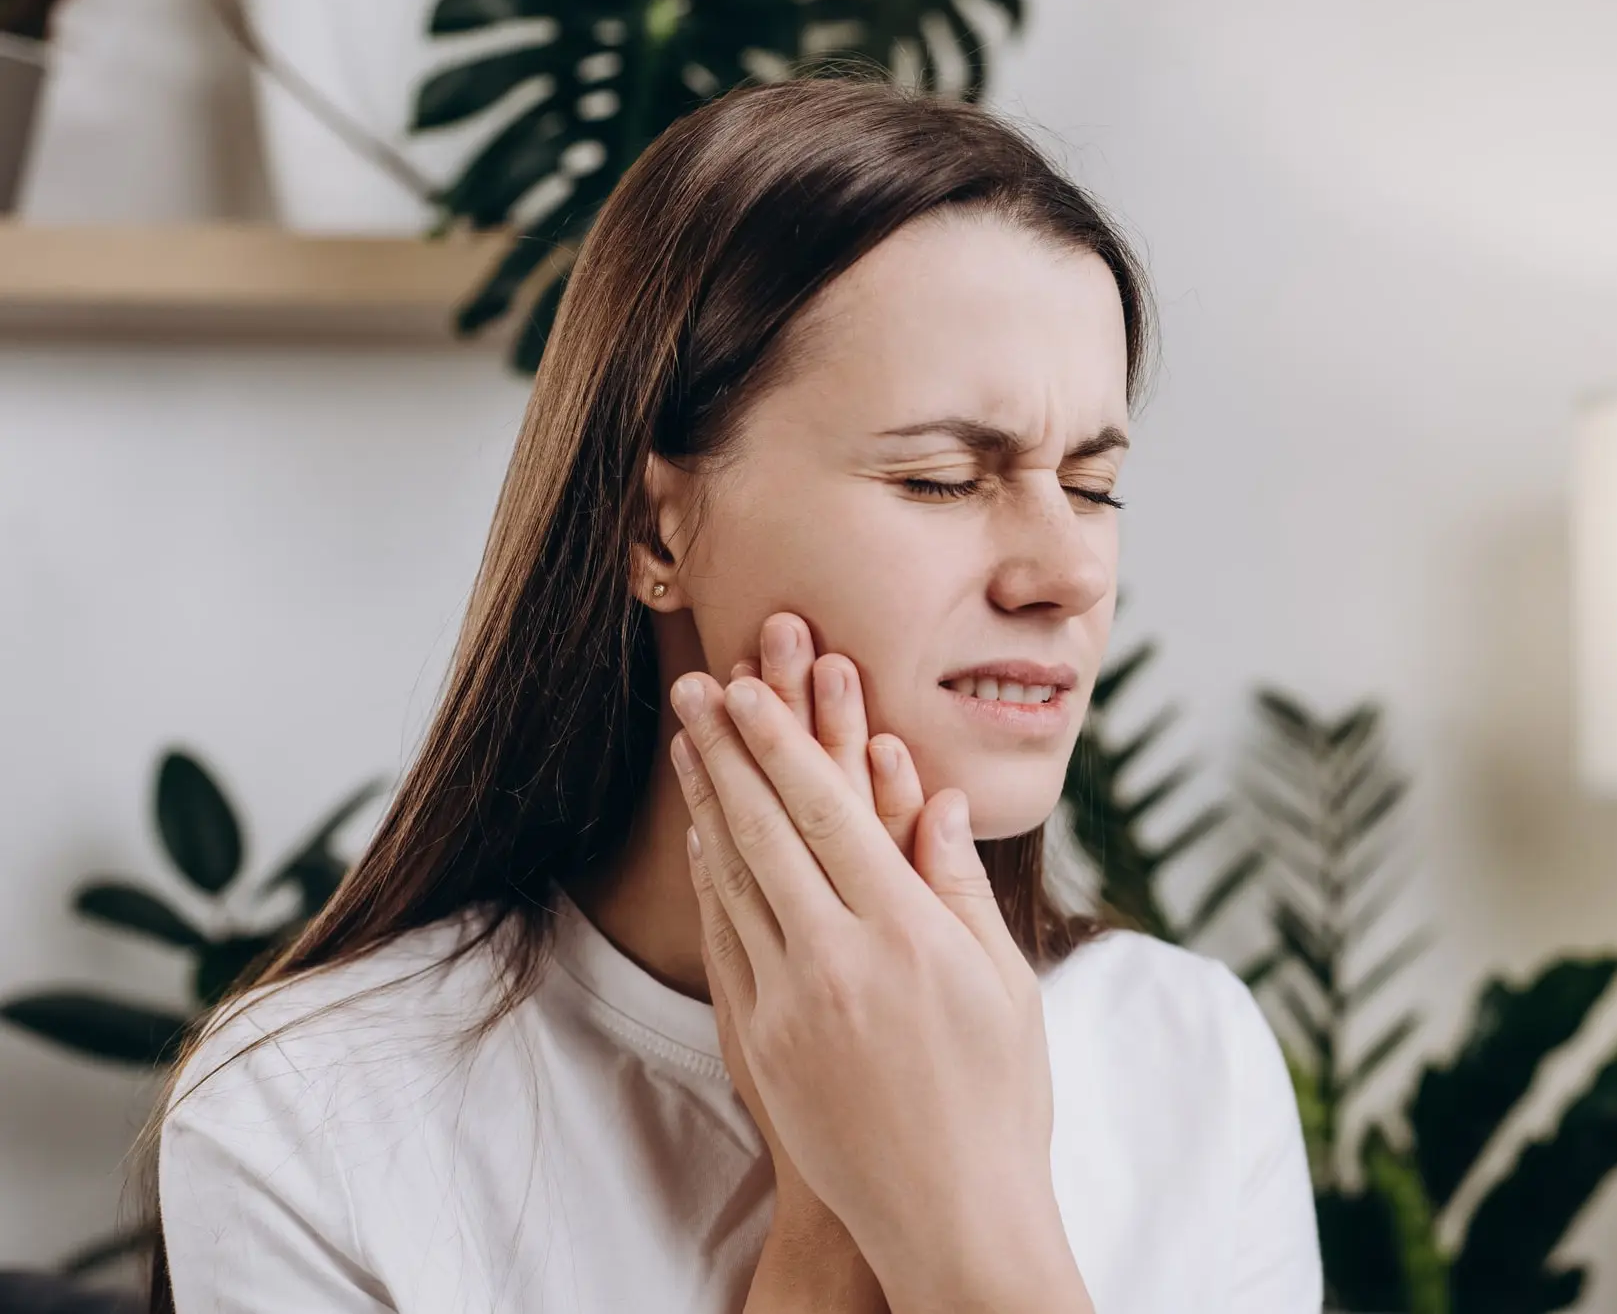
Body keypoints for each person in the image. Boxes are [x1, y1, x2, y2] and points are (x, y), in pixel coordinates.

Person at [144, 73, 1321, 1313]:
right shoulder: (310, 1115)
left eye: (1091, 487)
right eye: (936, 478)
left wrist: (961, 1220)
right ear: (657, 531)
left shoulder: (1187, 1055)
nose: (1070, 572)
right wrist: (831, 1223)